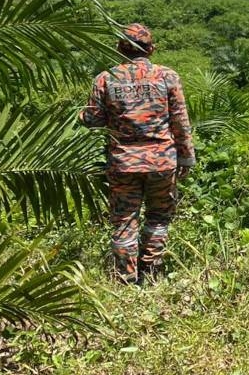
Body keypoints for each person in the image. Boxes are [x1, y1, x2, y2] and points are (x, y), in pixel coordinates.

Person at [79, 23, 195, 284]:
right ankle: (151, 273)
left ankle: (126, 278)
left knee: (124, 220)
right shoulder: (167, 76)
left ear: (120, 48)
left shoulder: (106, 78)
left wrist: (81, 114)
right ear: (151, 48)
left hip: (123, 164)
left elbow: (93, 120)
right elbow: (180, 121)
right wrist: (187, 157)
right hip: (162, 161)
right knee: (159, 217)